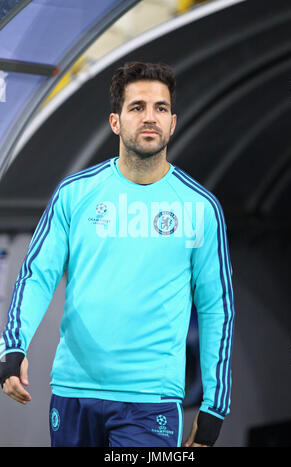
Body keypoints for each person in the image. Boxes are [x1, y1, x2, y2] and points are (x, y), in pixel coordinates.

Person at [0, 61, 235, 448]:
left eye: (160, 108)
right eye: (137, 107)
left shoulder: (200, 207)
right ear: (115, 122)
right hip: (73, 393)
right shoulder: (75, 194)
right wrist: (14, 346)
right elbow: (36, 275)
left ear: (173, 123)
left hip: (151, 404)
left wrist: (215, 407)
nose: (150, 118)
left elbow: (217, 310)